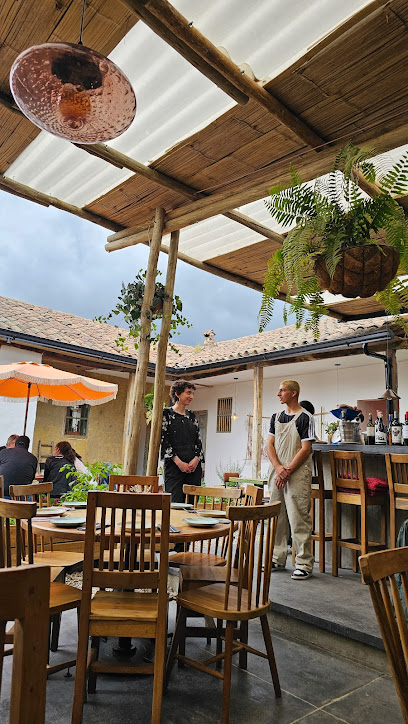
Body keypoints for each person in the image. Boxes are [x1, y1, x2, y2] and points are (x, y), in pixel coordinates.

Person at [267, 380, 315, 580]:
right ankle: (277, 557)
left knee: (298, 517)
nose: (278, 393)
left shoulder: (306, 417)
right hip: (277, 471)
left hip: (297, 473)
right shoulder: (275, 417)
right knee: (276, 516)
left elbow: (306, 448)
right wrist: (278, 468)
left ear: (293, 393)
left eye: (282, 390)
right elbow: (269, 444)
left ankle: (303, 563)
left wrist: (287, 470)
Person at [160, 379, 204, 503]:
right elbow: (164, 439)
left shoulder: (191, 415)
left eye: (192, 394)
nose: (191, 396)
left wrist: (196, 459)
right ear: (178, 394)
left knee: (192, 502)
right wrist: (179, 463)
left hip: (194, 467)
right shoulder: (166, 414)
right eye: (188, 393)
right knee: (174, 501)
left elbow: (198, 440)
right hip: (174, 466)